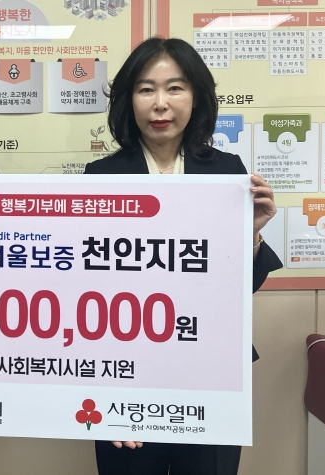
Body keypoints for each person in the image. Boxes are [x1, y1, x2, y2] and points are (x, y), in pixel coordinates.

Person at [85, 37, 282, 475]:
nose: (160, 103)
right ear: (128, 100)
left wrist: (250, 235)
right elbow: (88, 289)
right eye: (146, 89)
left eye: (174, 88)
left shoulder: (227, 171)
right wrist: (106, 393)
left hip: (211, 371)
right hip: (128, 375)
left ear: (196, 97)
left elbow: (240, 288)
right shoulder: (100, 176)